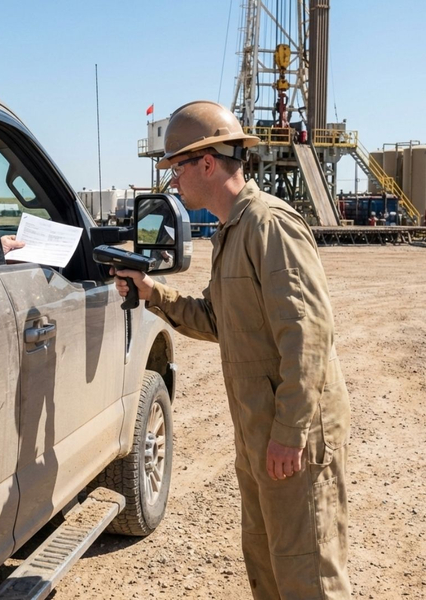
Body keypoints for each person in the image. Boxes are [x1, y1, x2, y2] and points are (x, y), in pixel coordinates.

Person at [113, 100, 351, 600]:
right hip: (262, 434)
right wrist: (155, 294)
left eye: (175, 168)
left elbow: (307, 335)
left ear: (205, 162)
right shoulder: (232, 232)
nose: (172, 182)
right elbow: (223, 321)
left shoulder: (270, 225)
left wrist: (290, 432)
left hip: (295, 438)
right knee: (268, 565)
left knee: (308, 576)